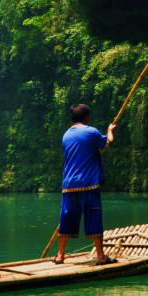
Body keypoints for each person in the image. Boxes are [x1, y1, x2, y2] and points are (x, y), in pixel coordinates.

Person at [53, 103, 117, 266]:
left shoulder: (66, 135)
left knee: (66, 218)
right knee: (94, 218)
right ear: (86, 117)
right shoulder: (91, 132)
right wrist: (110, 131)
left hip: (68, 185)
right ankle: (101, 256)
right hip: (88, 184)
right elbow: (108, 143)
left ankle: (60, 255)